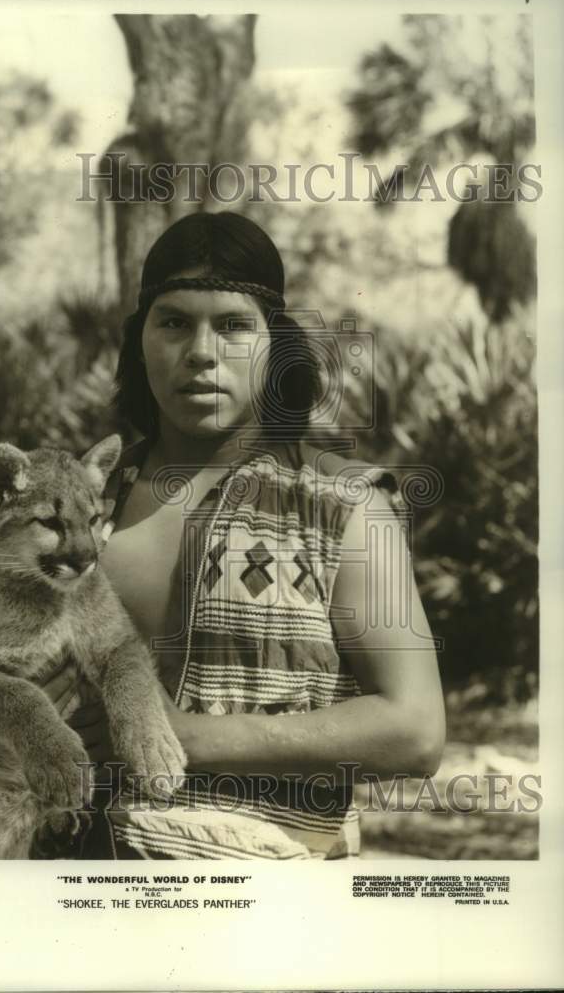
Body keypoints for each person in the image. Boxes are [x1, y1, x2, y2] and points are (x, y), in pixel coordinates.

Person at [43, 211, 445, 860]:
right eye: (172, 321)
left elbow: (414, 729)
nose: (200, 352)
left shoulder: (341, 507)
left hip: (267, 909)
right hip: (70, 894)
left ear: (274, 345)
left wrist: (180, 737)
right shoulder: (81, 506)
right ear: (139, 340)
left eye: (232, 325)